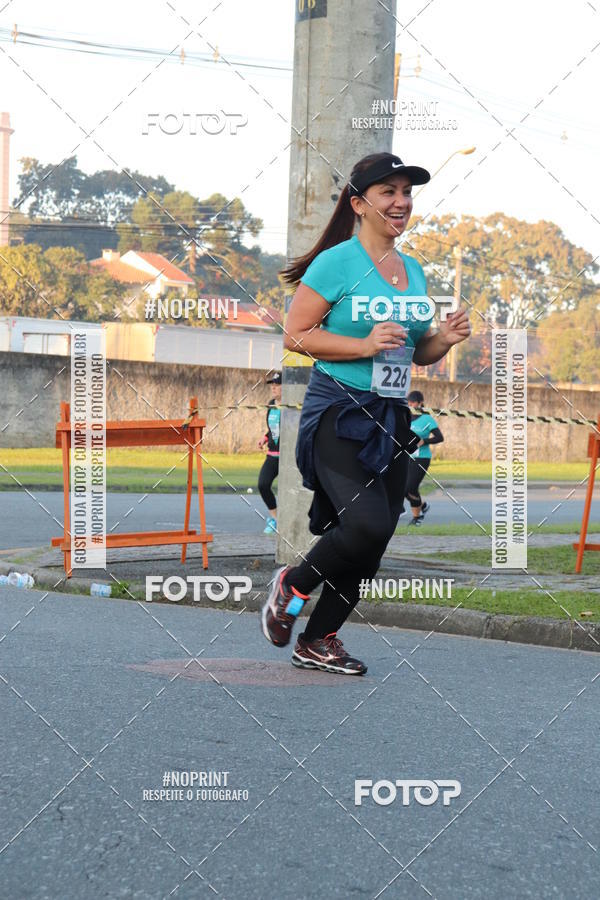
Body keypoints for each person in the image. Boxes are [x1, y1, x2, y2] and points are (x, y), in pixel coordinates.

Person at [259, 151, 470, 675]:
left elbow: (415, 351)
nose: (401, 203)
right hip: (339, 410)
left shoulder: (413, 270)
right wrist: (363, 345)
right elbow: (296, 335)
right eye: (388, 193)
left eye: (406, 193)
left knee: (378, 532)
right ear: (359, 203)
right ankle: (293, 584)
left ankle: (318, 639)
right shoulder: (339, 262)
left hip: (391, 414)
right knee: (366, 521)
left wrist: (442, 338)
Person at [405, 390, 443, 526]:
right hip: (406, 457)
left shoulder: (427, 419)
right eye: (408, 402)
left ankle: (417, 518)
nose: (410, 404)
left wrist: (424, 441)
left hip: (422, 458)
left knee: (410, 488)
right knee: (403, 488)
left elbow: (440, 437)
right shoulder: (406, 416)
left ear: (420, 403)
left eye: (413, 402)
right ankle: (423, 506)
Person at [257, 372, 282, 534]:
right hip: (273, 455)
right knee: (263, 484)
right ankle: (275, 519)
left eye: (277, 384)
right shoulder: (271, 404)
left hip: (289, 458)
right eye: (272, 384)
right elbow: (273, 428)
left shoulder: (294, 406)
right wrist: (265, 437)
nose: (273, 387)